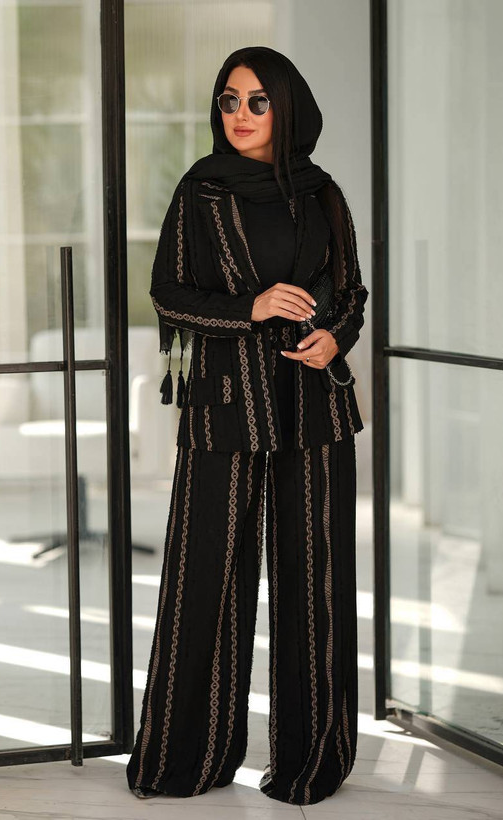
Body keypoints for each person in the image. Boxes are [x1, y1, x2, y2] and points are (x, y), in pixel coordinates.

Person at [126, 45, 368, 806]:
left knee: (314, 582)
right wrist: (251, 308)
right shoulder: (201, 190)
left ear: (286, 107)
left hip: (312, 403)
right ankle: (185, 758)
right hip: (226, 403)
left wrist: (336, 337)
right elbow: (168, 294)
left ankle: (311, 762)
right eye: (229, 100)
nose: (240, 114)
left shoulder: (322, 193)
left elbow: (352, 291)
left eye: (257, 101)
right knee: (206, 576)